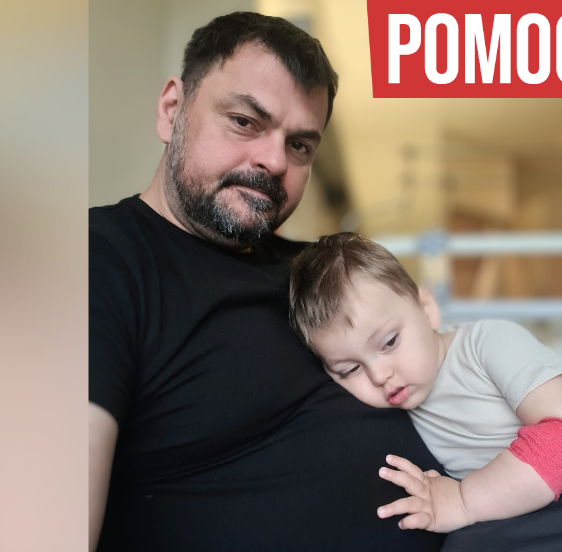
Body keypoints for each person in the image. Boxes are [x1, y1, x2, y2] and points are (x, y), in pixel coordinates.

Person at [88, 12, 448, 552]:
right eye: (244, 121)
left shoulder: (321, 272)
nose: (275, 160)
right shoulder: (96, 261)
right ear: (172, 109)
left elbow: (452, 363)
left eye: (300, 145)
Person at [288, 232, 562, 551]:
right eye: (350, 369)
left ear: (427, 309)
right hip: (524, 513)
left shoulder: (488, 343)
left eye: (389, 342)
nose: (380, 375)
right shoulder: (394, 410)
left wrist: (463, 501)